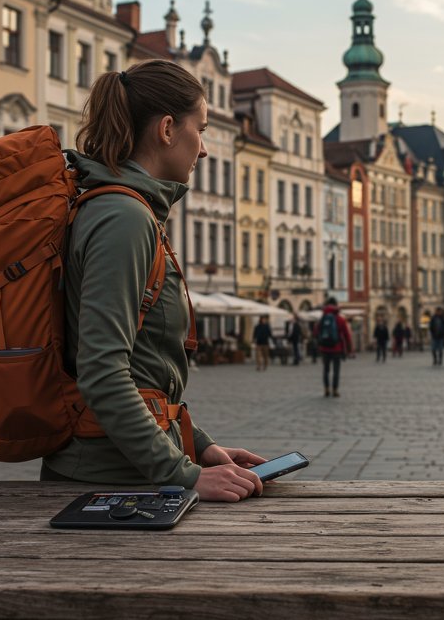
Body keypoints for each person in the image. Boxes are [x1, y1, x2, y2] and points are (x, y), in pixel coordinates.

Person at [42, 59, 265, 503]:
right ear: (167, 130)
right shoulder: (123, 218)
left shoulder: (127, 210)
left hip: (122, 472)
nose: (203, 149)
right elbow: (103, 373)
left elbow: (146, 371)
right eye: (199, 129)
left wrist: (201, 447)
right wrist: (183, 473)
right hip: (107, 482)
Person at [316, 298, 354, 398]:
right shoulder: (340, 319)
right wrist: (349, 349)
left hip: (324, 349)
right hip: (337, 348)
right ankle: (335, 390)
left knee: (326, 370)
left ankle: (326, 389)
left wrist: (320, 343)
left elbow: (316, 332)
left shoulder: (322, 318)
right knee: (336, 370)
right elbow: (347, 335)